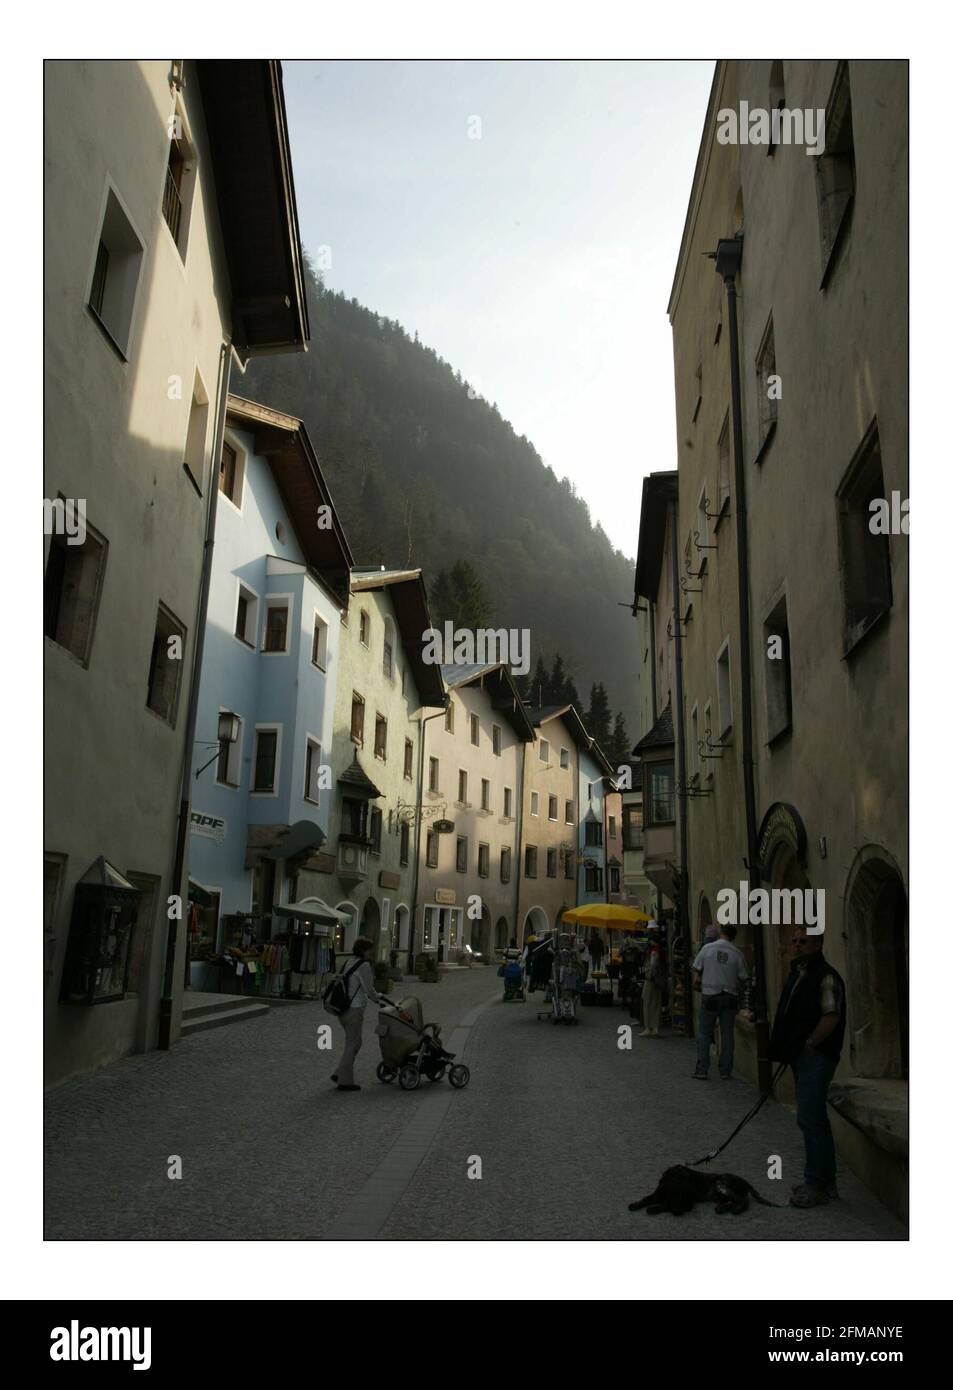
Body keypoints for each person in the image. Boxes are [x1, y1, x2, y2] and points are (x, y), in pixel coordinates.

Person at [769, 925, 846, 1208]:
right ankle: (825, 1181)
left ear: (818, 945)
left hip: (817, 1056)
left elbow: (831, 1014)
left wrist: (812, 1042)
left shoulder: (825, 976)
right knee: (815, 1120)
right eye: (795, 940)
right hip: (802, 1056)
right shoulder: (800, 973)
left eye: (805, 941)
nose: (798, 945)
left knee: (810, 1120)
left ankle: (816, 1184)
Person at [691, 923, 749, 1079]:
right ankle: (725, 1071)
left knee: (704, 1033)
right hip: (730, 996)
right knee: (727, 1035)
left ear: (721, 932)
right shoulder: (737, 953)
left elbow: (696, 967)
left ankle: (702, 1070)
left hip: (710, 995)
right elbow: (744, 977)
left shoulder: (707, 948)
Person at [332, 936, 383, 1092]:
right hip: (354, 1009)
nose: (371, 953)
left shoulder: (349, 961)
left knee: (354, 1042)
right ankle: (345, 1081)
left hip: (343, 1009)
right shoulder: (363, 965)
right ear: (363, 950)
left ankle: (340, 1072)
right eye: (369, 950)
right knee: (353, 1043)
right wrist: (378, 999)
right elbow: (368, 989)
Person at [639, 928, 664, 1037]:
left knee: (647, 1003)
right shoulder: (660, 950)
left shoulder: (654, 952)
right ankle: (655, 1027)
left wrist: (648, 973)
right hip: (658, 981)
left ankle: (648, 1027)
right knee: (656, 1004)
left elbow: (653, 966)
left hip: (651, 981)